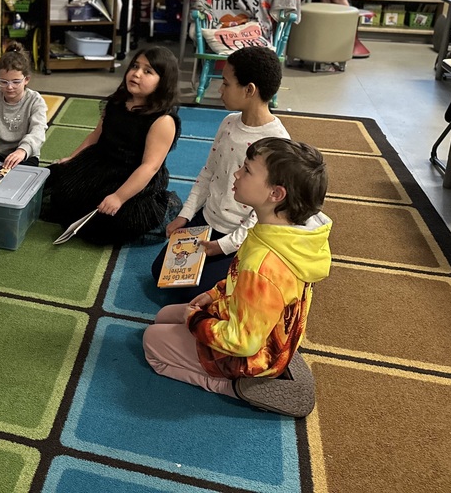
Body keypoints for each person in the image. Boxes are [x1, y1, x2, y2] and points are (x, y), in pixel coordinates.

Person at [142, 138, 332, 417]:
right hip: (251, 325)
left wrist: (196, 320)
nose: (237, 174)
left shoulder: (265, 266)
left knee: (152, 342)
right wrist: (213, 294)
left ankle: (233, 387)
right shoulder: (281, 232)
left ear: (276, 194)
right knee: (164, 317)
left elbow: (242, 342)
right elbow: (237, 281)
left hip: (249, 354)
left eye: (247, 170)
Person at [151, 46, 290, 299]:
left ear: (249, 90)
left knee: (196, 294)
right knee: (161, 273)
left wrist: (223, 246)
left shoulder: (277, 143)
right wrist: (185, 215)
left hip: (241, 236)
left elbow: (264, 213)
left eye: (225, 83)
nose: (220, 90)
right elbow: (208, 174)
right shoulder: (227, 123)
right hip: (207, 221)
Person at [43, 46, 182, 246]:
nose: (136, 74)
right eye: (135, 66)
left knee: (111, 220)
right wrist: (73, 159)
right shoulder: (117, 102)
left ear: (163, 82)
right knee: (61, 191)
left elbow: (149, 167)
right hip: (101, 163)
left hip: (133, 175)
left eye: (148, 71)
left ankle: (164, 208)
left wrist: (119, 197)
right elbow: (95, 137)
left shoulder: (162, 120)